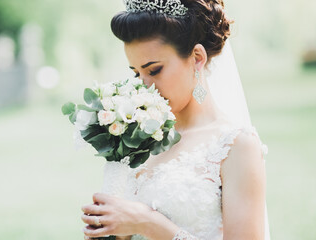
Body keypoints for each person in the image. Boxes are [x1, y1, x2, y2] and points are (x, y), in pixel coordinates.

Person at [81, 0, 270, 239]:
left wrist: (147, 223)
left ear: (197, 58)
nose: (144, 87)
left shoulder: (236, 146)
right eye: (136, 73)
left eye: (154, 70)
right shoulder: (138, 139)